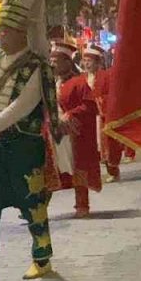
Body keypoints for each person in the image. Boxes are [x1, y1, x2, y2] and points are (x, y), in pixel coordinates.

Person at [0, 0, 62, 281]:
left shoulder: (35, 66)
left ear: (22, 32)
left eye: (6, 30)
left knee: (33, 202)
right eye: (0, 30)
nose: (1, 35)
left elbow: (22, 106)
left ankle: (42, 258)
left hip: (23, 145)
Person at [50, 37, 102, 219]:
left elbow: (90, 106)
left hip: (74, 134)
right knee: (49, 168)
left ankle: (82, 204)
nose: (52, 65)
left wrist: (70, 115)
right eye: (51, 61)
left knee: (78, 168)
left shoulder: (79, 82)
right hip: (53, 132)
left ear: (66, 62)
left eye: (56, 61)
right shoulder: (50, 82)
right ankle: (36, 209)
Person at [82, 44, 121, 183]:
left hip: (102, 117)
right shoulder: (82, 77)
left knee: (106, 146)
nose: (86, 64)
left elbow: (112, 95)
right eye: (85, 61)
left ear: (97, 62)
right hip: (87, 118)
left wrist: (99, 101)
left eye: (89, 61)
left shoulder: (106, 76)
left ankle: (113, 171)